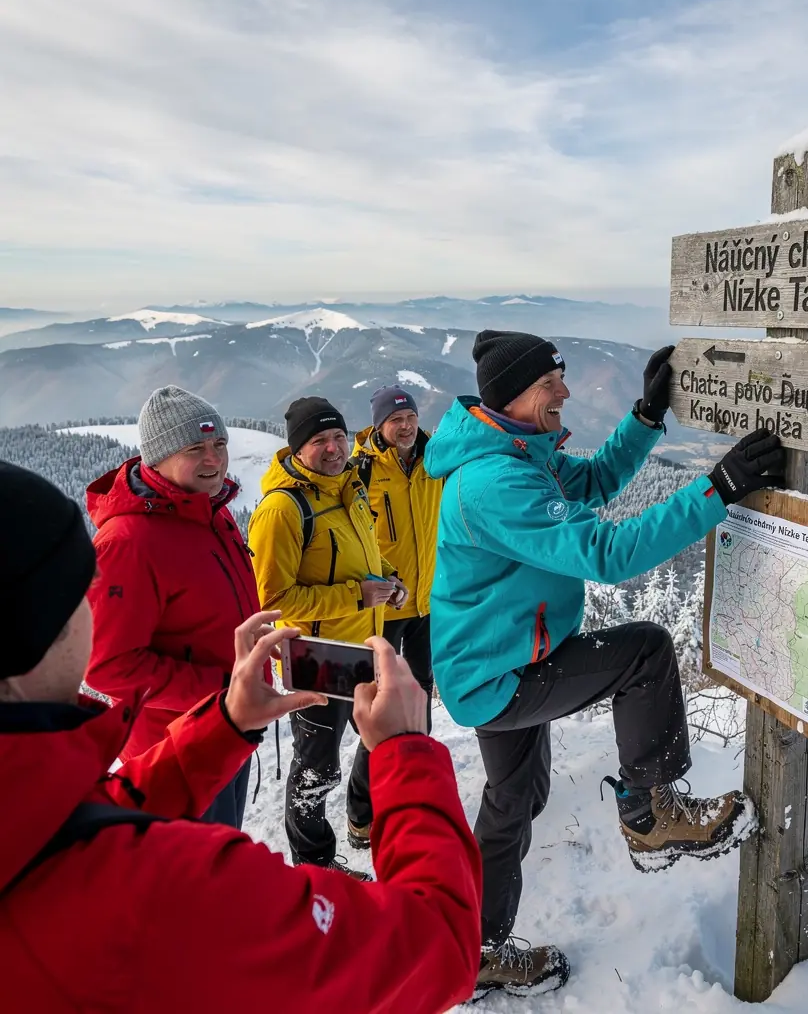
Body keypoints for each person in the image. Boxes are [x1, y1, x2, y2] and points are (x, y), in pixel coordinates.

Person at [0, 460, 482, 1014]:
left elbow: (92, 814)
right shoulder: (168, 890)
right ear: (40, 627)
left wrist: (224, 724)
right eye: (83, 589)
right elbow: (438, 946)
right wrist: (404, 753)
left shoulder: (30, 813)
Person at [424, 330, 787, 998]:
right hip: (499, 675)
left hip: (490, 663)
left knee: (513, 801)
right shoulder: (495, 480)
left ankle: (470, 949)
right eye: (550, 383)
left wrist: (645, 420)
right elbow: (609, 554)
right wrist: (717, 489)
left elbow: (589, 483)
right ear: (512, 395)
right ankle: (652, 814)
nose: (564, 392)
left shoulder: (515, 451)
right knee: (643, 652)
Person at [84, 386, 261, 829]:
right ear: (157, 457)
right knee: (195, 875)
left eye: (219, 444)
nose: (214, 459)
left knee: (223, 859)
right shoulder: (127, 543)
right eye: (195, 448)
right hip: (173, 750)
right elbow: (108, 667)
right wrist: (222, 685)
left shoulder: (209, 512)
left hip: (227, 723)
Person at [247, 397, 410, 873]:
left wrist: (390, 581)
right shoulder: (283, 510)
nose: (334, 448)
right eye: (319, 440)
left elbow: (366, 558)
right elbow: (274, 600)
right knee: (317, 767)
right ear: (298, 449)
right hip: (316, 658)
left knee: (385, 738)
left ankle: (365, 819)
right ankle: (314, 864)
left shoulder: (348, 488)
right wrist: (359, 597)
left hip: (363, 647)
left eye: (339, 436)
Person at [352, 386, 441, 745]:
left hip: (426, 602)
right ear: (379, 425)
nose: (405, 426)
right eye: (395, 420)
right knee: (380, 698)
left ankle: (419, 754)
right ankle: (375, 774)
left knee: (421, 687)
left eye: (410, 418)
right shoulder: (361, 470)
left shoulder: (435, 460)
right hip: (385, 604)